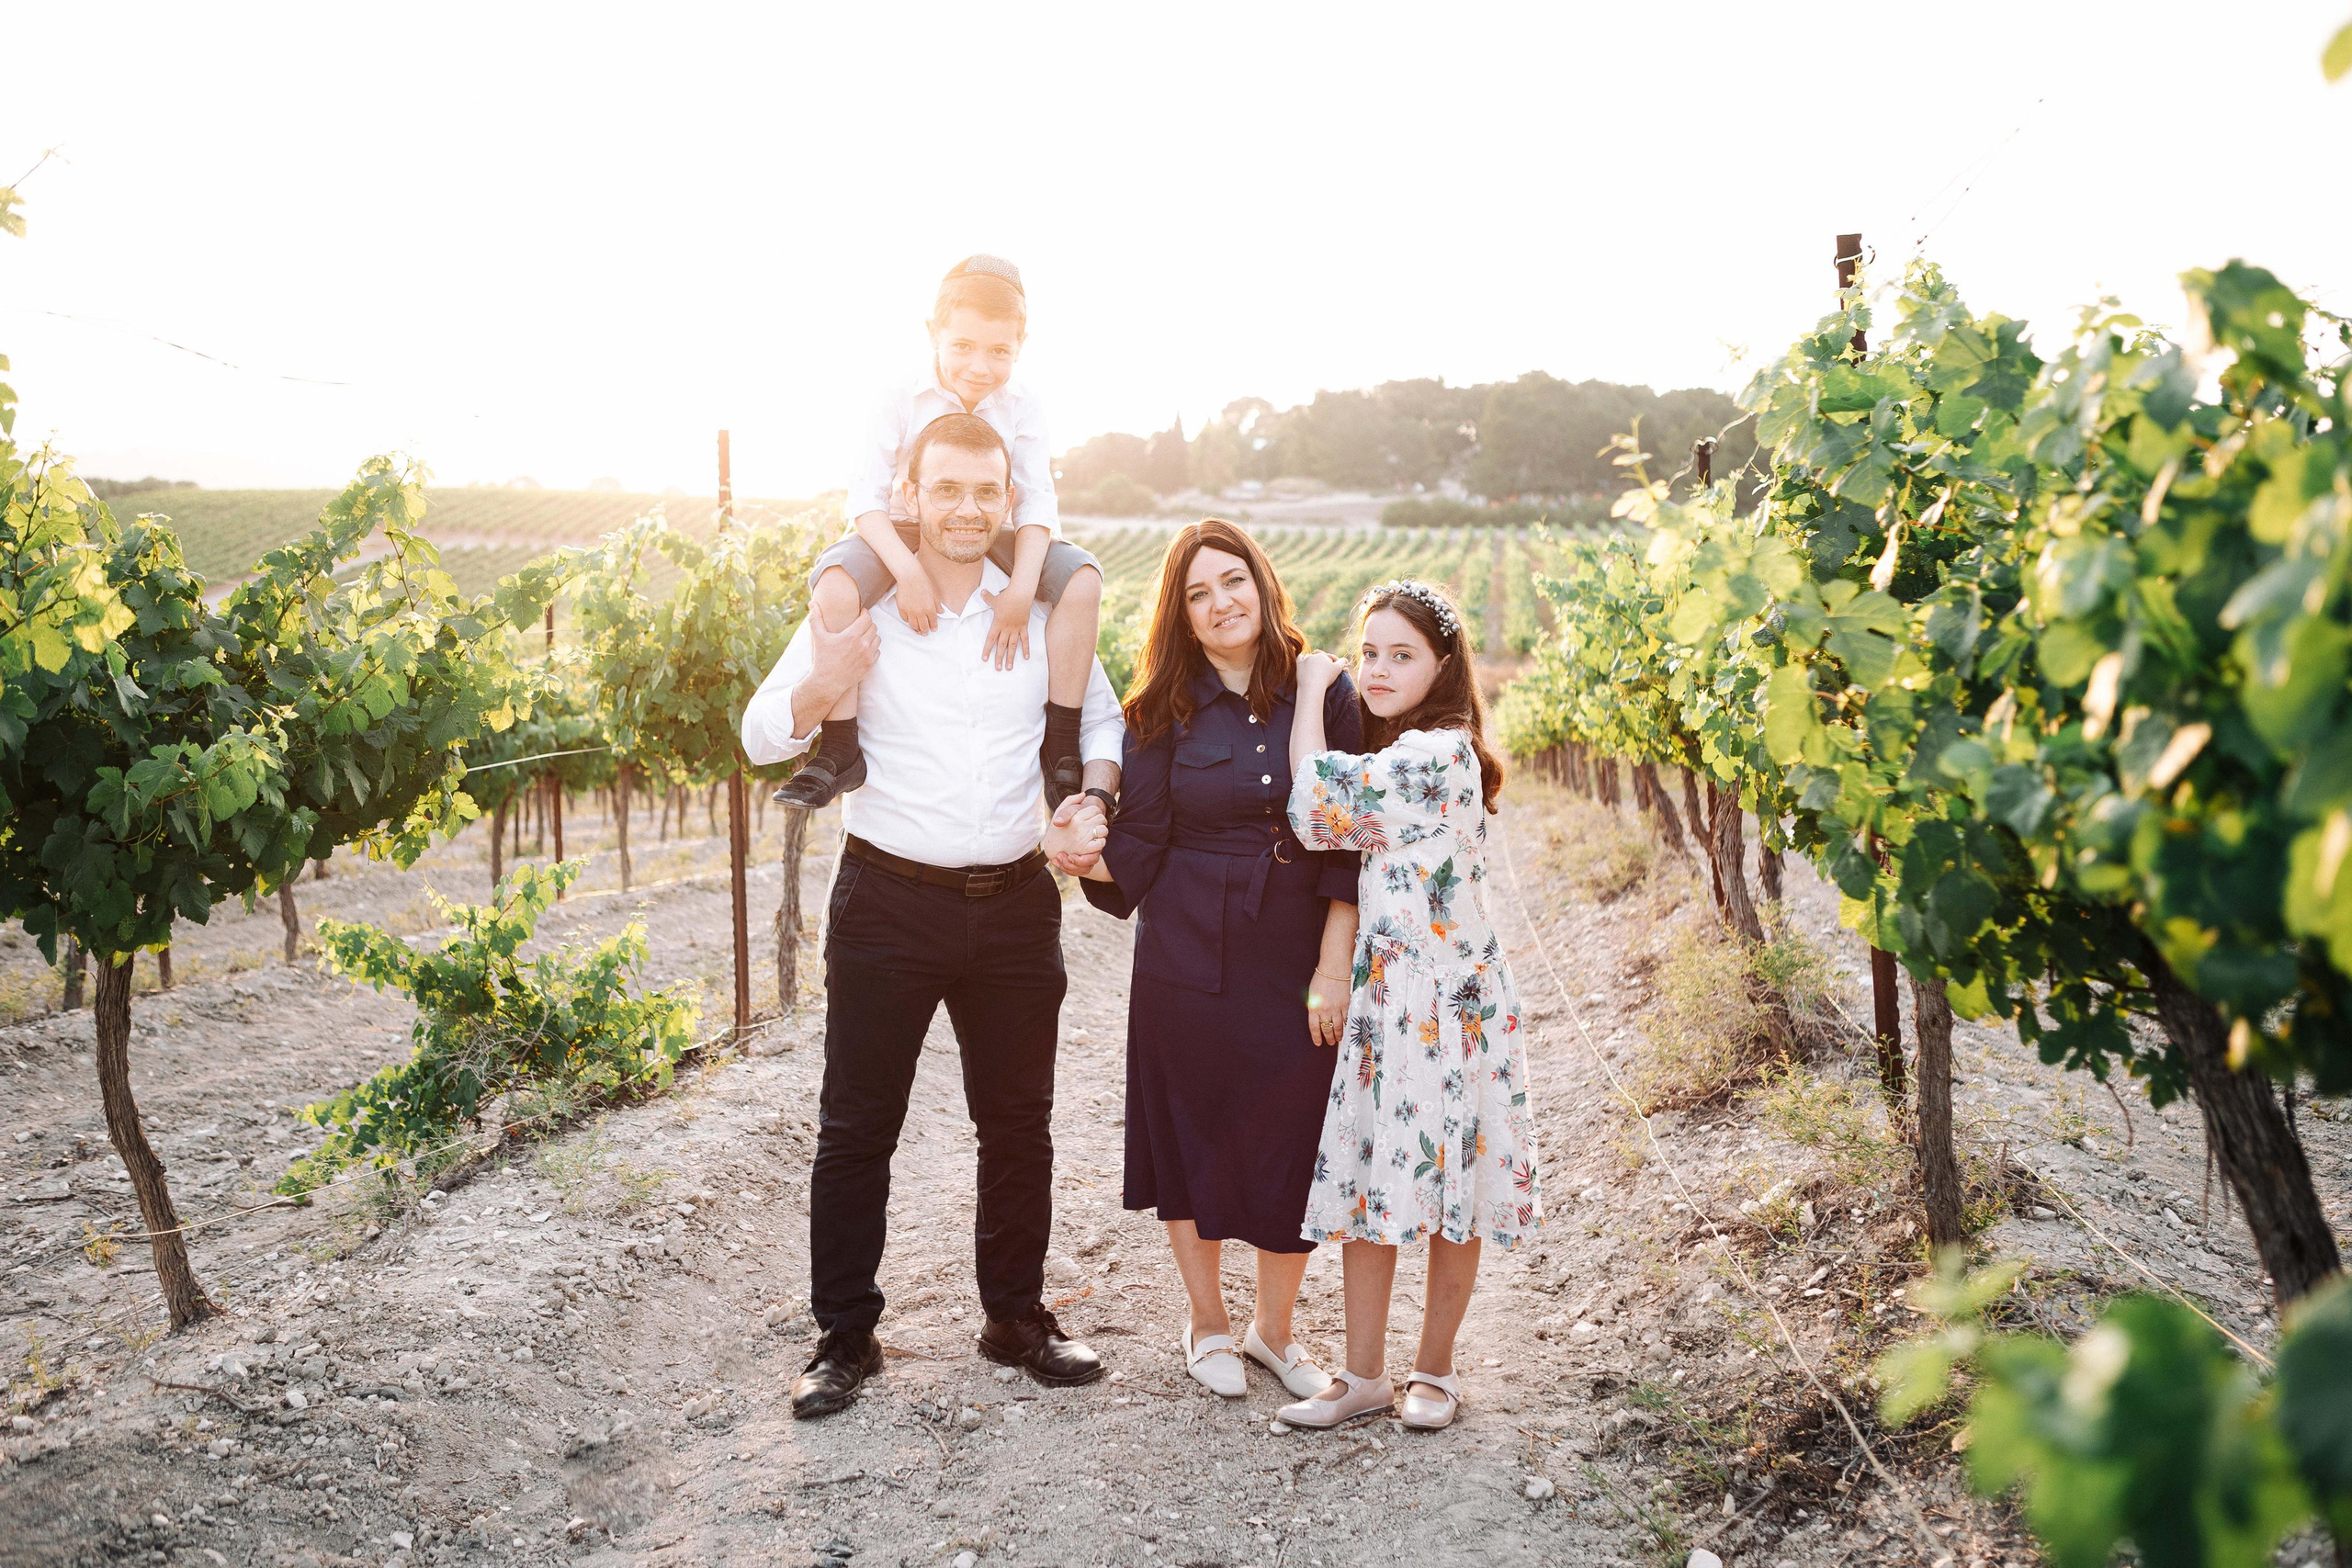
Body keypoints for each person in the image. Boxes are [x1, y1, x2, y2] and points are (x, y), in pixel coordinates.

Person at [740, 412, 1123, 1419]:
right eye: (944, 489)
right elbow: (757, 731)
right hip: (886, 901)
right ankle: (845, 1337)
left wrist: (1090, 796)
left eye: (984, 491)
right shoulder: (864, 598)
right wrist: (823, 681)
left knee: (1018, 1126)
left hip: (1012, 907)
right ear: (909, 494)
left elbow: (1101, 717)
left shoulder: (1043, 609)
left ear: (1010, 501)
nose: (965, 508)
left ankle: (1015, 1316)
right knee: (857, 1128)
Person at [1057, 520, 1361, 1401]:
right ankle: (1207, 1322)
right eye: (1198, 593)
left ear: (1263, 585)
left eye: (1233, 581)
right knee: (1193, 1132)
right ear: (1182, 616)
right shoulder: (1161, 711)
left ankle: (1274, 1332)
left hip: (1294, 945)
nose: (1220, 602)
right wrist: (1071, 851)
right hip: (1184, 948)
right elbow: (1138, 850)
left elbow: (1347, 845)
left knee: (1291, 1134)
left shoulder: (1326, 691)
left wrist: (1334, 965)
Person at [1271, 579, 1543, 1434]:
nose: (1378, 670)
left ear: (1443, 665)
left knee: (1446, 1180)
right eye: (1369, 654)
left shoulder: (1437, 755)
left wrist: (1314, 688)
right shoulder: (1413, 750)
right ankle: (1363, 1376)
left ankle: (1432, 1369)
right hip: (1398, 997)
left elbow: (1315, 807)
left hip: (1448, 1002)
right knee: (1374, 1176)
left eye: (1402, 654)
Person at [777, 254, 1104, 812]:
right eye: (963, 347)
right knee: (835, 586)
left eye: (999, 351)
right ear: (933, 333)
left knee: (1082, 582)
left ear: (1020, 346)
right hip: (900, 529)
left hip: (988, 525)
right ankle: (838, 748)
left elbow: (1034, 503)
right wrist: (907, 571)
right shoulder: (898, 394)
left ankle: (1061, 742)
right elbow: (865, 497)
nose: (980, 366)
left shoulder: (1025, 405)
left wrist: (1021, 591)